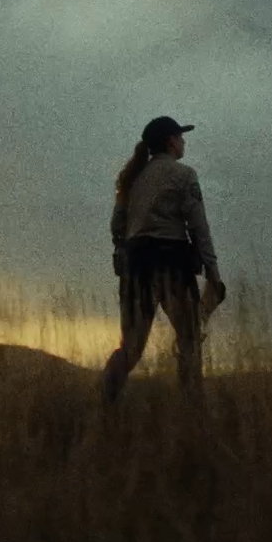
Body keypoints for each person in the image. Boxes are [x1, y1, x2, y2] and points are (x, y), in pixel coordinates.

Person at [102, 116, 225, 403]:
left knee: (131, 348)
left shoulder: (132, 180)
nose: (183, 141)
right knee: (189, 340)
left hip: (136, 266)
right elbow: (199, 227)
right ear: (171, 141)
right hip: (172, 263)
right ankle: (192, 408)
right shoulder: (184, 175)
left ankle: (102, 402)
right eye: (180, 137)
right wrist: (213, 274)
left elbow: (116, 226)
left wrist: (126, 249)